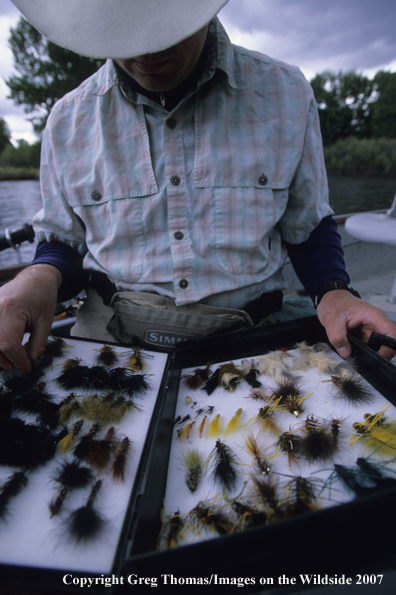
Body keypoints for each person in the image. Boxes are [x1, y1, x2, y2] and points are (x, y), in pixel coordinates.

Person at [1, 0, 395, 374]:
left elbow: (307, 226)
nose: (145, 54)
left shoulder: (287, 92)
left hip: (251, 344)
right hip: (108, 343)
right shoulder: (66, 120)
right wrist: (37, 279)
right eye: (124, 33)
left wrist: (334, 292)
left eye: (163, 30)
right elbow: (64, 243)